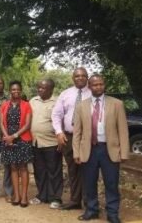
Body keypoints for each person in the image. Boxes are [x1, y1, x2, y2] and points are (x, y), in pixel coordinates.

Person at [73, 74, 129, 223]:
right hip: (89, 150)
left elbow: (123, 130)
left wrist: (124, 152)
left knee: (111, 183)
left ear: (104, 85)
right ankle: (91, 210)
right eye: (95, 85)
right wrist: (76, 152)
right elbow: (77, 131)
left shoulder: (117, 104)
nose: (98, 87)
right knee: (89, 183)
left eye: (101, 84)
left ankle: (112, 213)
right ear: (89, 87)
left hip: (109, 150)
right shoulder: (81, 106)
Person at [52, 67, 91, 210]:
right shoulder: (65, 94)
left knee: (88, 169)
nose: (80, 78)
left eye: (83, 75)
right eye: (77, 76)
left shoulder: (93, 93)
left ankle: (89, 202)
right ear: (73, 78)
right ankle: (75, 201)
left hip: (87, 138)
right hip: (68, 136)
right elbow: (56, 115)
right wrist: (59, 132)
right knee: (73, 170)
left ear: (87, 77)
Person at [29, 79, 63, 209]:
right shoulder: (33, 101)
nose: (40, 90)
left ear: (51, 89)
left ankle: (56, 198)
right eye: (39, 87)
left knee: (54, 171)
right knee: (39, 171)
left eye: (43, 88)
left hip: (52, 143)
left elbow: (62, 121)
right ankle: (42, 195)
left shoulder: (58, 102)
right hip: (36, 142)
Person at [0, 80, 33, 207]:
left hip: (22, 138)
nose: (16, 91)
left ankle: (24, 196)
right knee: (13, 167)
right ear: (10, 91)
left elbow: (27, 124)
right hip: (8, 140)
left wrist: (14, 136)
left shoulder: (26, 105)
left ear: (21, 91)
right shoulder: (4, 105)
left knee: (23, 168)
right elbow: (1, 123)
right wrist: (7, 137)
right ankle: (16, 195)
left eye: (18, 89)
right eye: (13, 89)